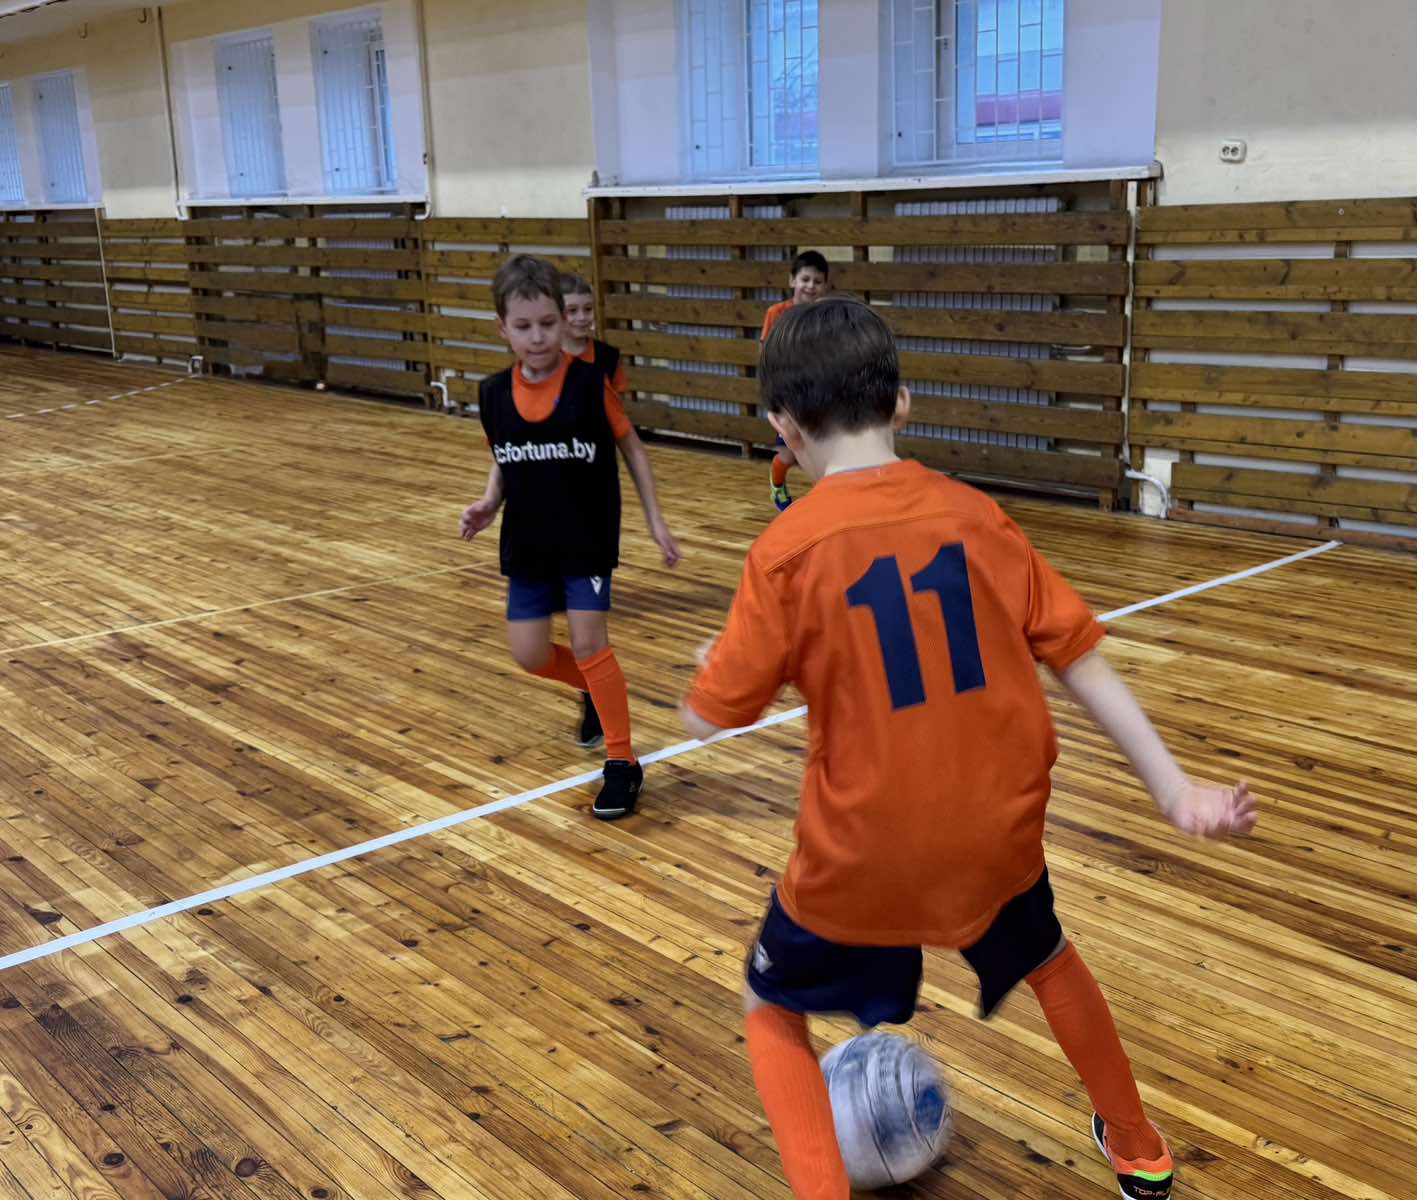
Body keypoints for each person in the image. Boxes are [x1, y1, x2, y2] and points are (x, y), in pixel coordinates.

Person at [681, 298, 1257, 1200]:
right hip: (993, 835)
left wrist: (707, 675)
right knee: (1048, 955)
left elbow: (712, 716)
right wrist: (1175, 789)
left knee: (770, 1006)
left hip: (862, 852)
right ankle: (1138, 1143)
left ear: (782, 427)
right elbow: (1080, 657)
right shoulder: (978, 517)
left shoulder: (784, 552)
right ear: (902, 403)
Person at [460, 255, 681, 819]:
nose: (537, 337)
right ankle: (595, 686)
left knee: (589, 643)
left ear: (563, 321)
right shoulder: (492, 394)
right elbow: (504, 455)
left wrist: (655, 520)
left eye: (547, 323)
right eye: (524, 326)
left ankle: (622, 762)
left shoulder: (588, 384)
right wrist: (488, 502)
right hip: (528, 541)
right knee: (529, 655)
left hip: (586, 536)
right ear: (502, 329)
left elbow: (632, 447)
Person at [760, 250, 829, 513]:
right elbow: (766, 353)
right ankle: (777, 485)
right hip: (786, 396)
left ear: (825, 285)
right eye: (805, 279)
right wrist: (774, 393)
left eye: (817, 281)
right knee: (789, 454)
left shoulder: (825, 317)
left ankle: (821, 502)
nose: (810, 286)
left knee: (821, 452)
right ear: (792, 280)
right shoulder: (776, 313)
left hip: (816, 395)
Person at [558, 272, 627, 391]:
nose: (582, 317)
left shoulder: (609, 356)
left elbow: (616, 398)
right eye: (572, 310)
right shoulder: (545, 358)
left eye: (588, 309)